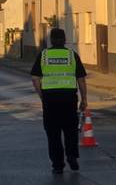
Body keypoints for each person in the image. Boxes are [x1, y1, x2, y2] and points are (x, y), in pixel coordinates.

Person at [31, 28, 88, 174]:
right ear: (64, 40)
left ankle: (57, 165)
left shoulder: (43, 55)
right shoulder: (71, 55)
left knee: (53, 132)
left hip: (50, 99)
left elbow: (35, 78)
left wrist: (41, 95)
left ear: (51, 40)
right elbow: (81, 79)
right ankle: (72, 157)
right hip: (69, 99)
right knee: (70, 130)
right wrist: (84, 99)